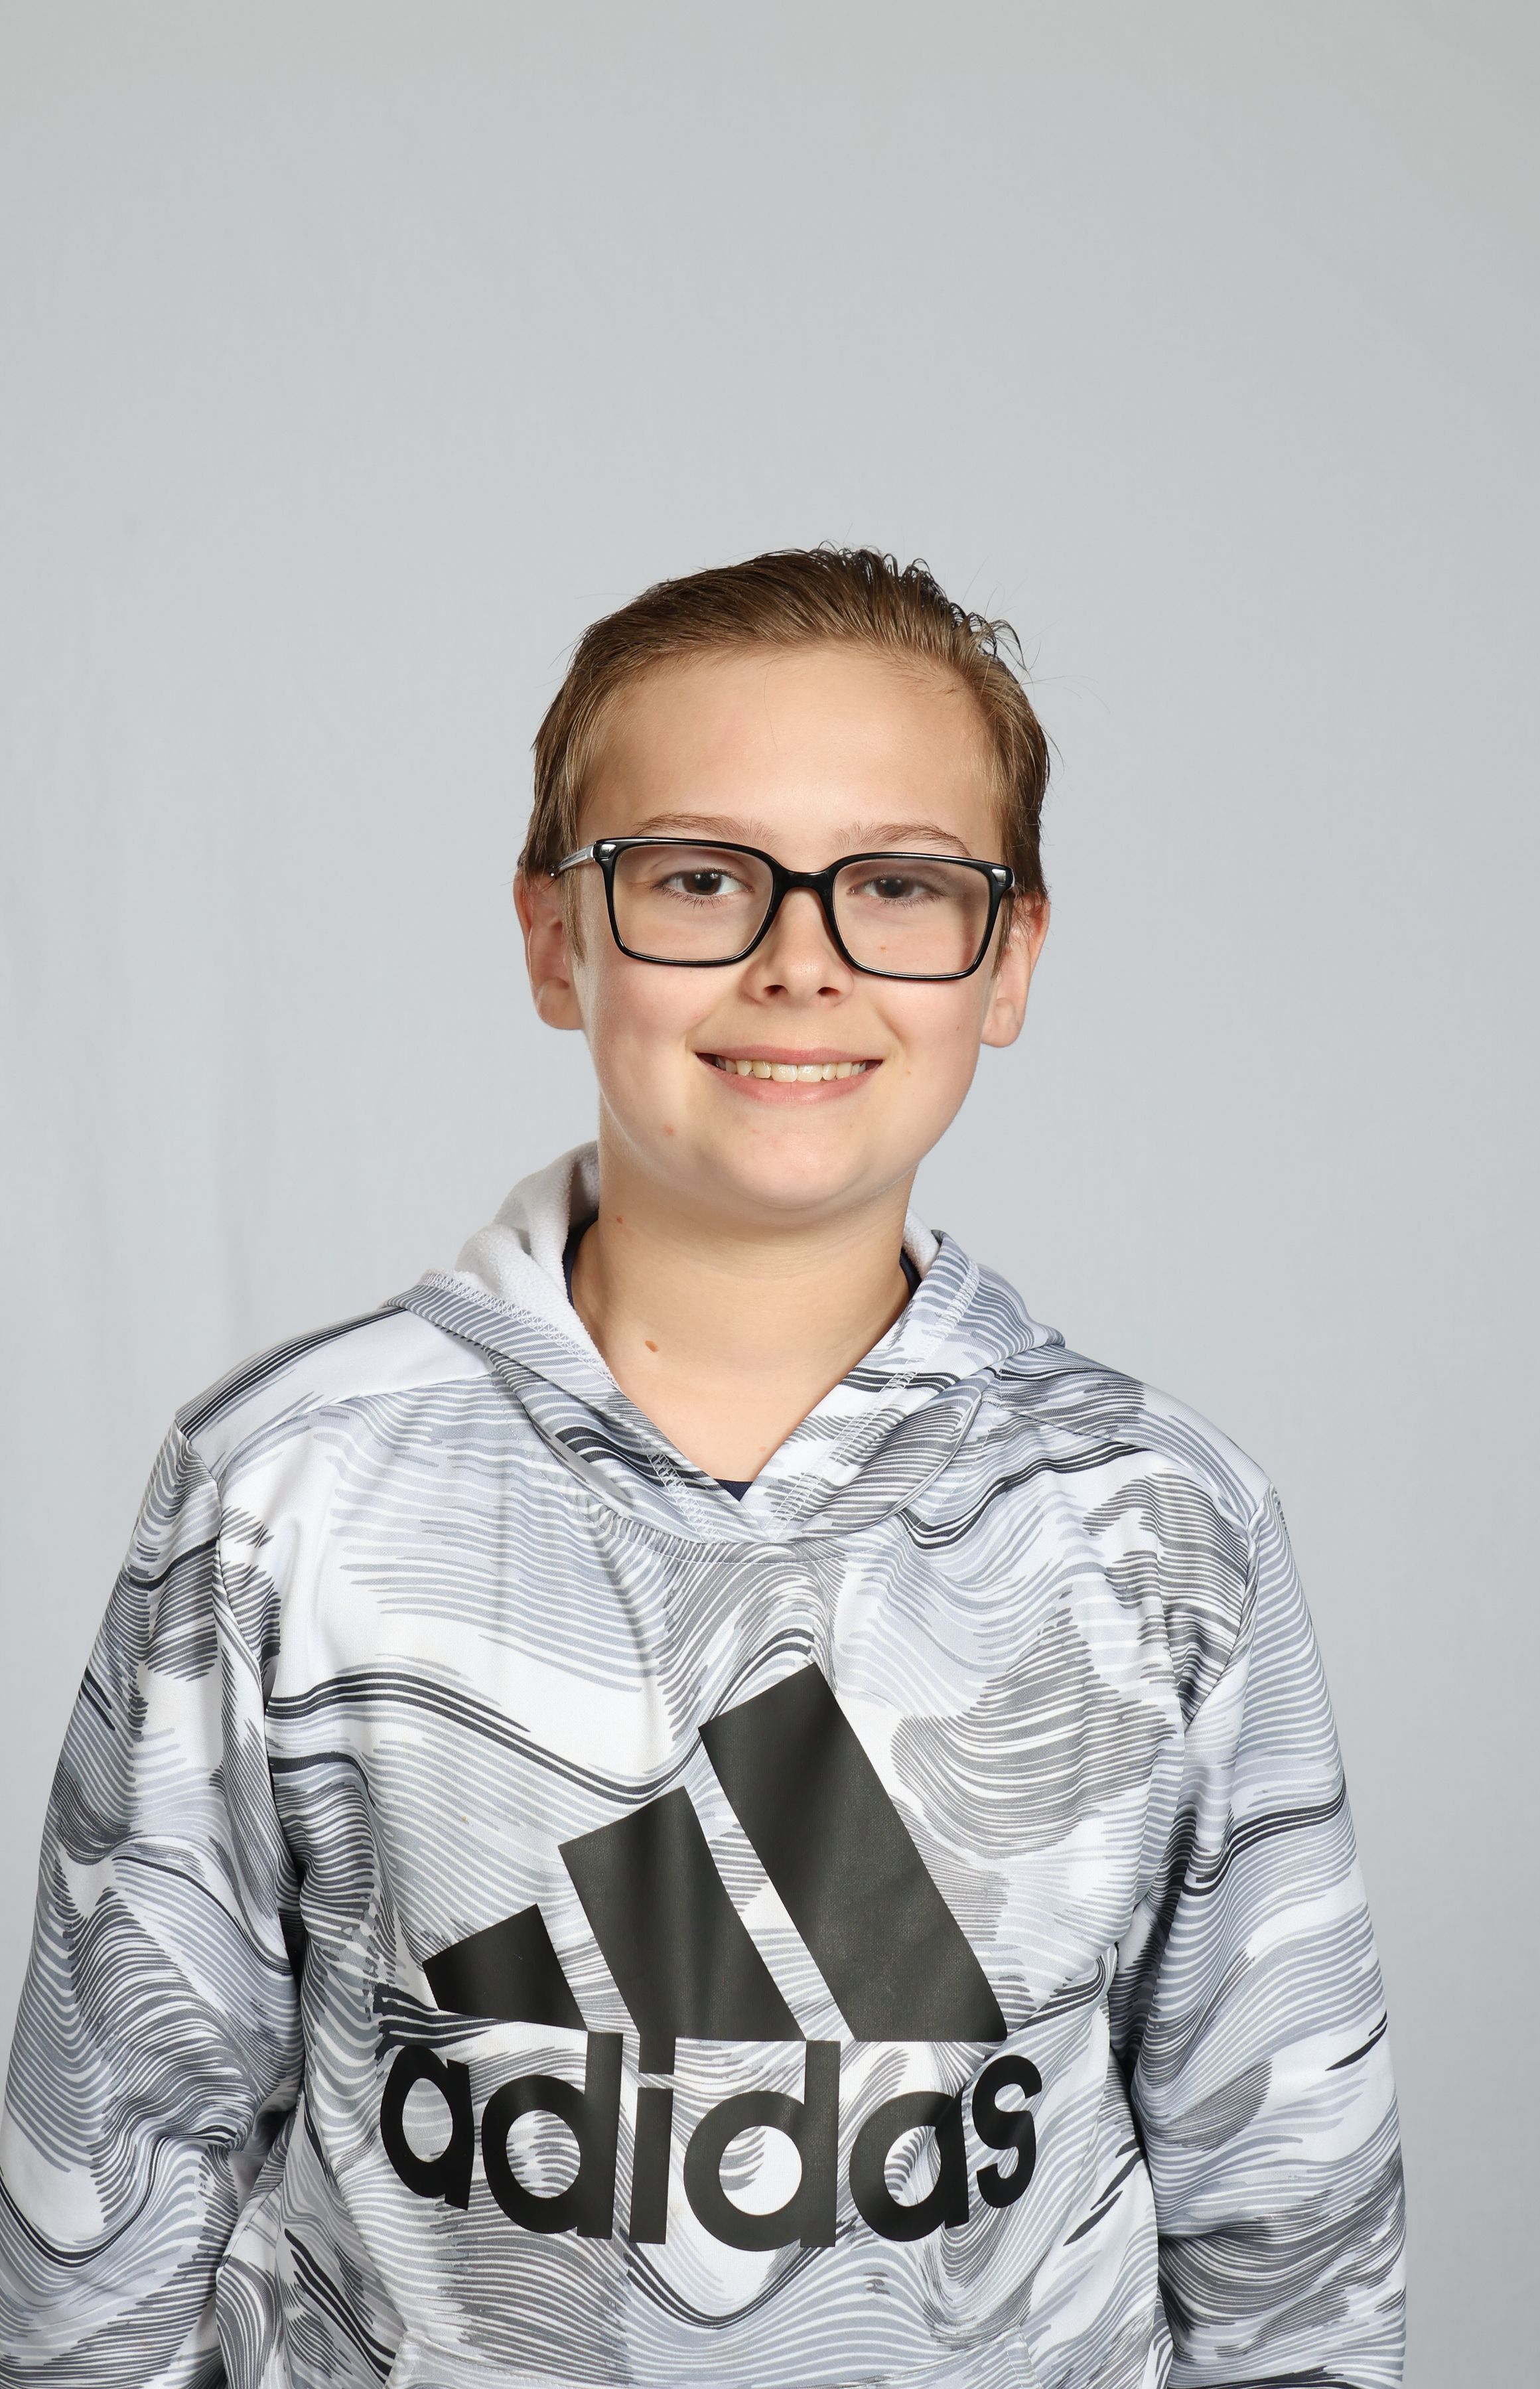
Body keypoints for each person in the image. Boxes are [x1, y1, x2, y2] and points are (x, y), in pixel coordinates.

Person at [0, 549, 1404, 2389]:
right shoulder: (288, 1483)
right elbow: (112, 2174)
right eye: (698, 878)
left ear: (1008, 962)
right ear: (554, 937)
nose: (799, 958)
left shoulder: (1157, 1524)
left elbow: (1289, 2221)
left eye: (898, 885)